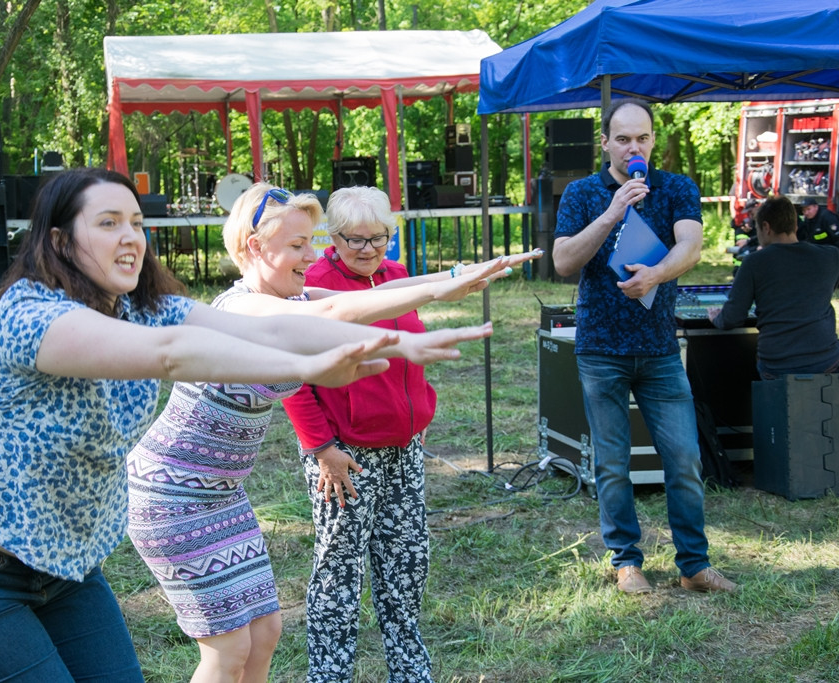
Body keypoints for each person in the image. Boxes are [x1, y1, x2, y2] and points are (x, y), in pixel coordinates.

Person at [0, 168, 492, 683]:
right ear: (59, 239)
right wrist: (308, 367)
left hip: (66, 570)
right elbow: (170, 352)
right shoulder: (29, 313)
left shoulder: (145, 307)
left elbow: (285, 323)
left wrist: (410, 324)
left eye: (137, 224)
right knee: (227, 648)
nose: (131, 238)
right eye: (108, 223)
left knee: (261, 633)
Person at [126, 182, 538, 682]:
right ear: (256, 247)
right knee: (229, 650)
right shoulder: (242, 307)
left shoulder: (288, 293)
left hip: (222, 494)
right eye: (298, 245)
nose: (314, 254)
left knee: (265, 635)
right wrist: (425, 307)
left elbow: (372, 294)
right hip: (172, 494)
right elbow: (330, 312)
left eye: (311, 242)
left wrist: (454, 277)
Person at [275, 186, 533, 682]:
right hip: (344, 453)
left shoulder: (396, 278)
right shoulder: (312, 285)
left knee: (406, 561)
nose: (368, 250)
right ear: (332, 237)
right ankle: (330, 675)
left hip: (403, 448)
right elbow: (293, 377)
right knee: (339, 568)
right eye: (355, 240)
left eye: (379, 239)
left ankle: (410, 671)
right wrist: (322, 448)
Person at [551, 99, 737, 595]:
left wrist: (657, 273)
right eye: (625, 139)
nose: (635, 148)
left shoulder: (676, 187)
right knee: (612, 462)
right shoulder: (583, 192)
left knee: (684, 458)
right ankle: (626, 562)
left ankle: (694, 565)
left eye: (644, 138)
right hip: (601, 349)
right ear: (606, 143)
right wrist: (613, 212)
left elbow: (691, 246)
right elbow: (563, 261)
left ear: (653, 140)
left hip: (658, 350)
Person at [708, 196, 839, 379]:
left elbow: (732, 318)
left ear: (766, 228)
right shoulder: (831, 257)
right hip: (826, 360)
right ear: (795, 225)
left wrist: (716, 318)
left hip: (777, 363)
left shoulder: (754, 262)